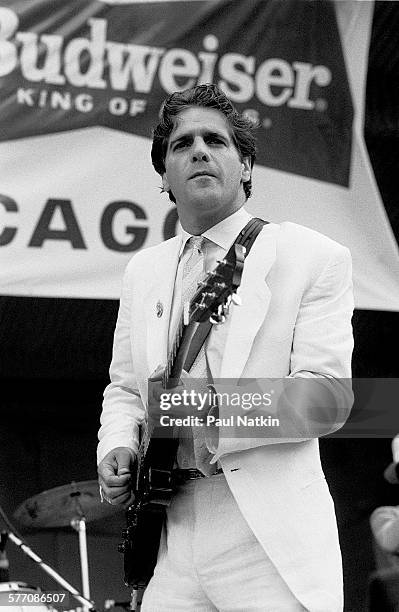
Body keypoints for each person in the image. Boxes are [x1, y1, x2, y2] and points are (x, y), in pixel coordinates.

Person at [97, 84, 354, 612]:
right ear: (164, 176)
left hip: (265, 533)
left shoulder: (313, 257)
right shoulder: (142, 270)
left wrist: (206, 410)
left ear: (246, 164)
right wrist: (116, 447)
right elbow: (124, 387)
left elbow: (331, 400)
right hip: (172, 526)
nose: (198, 150)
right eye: (181, 143)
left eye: (215, 140)